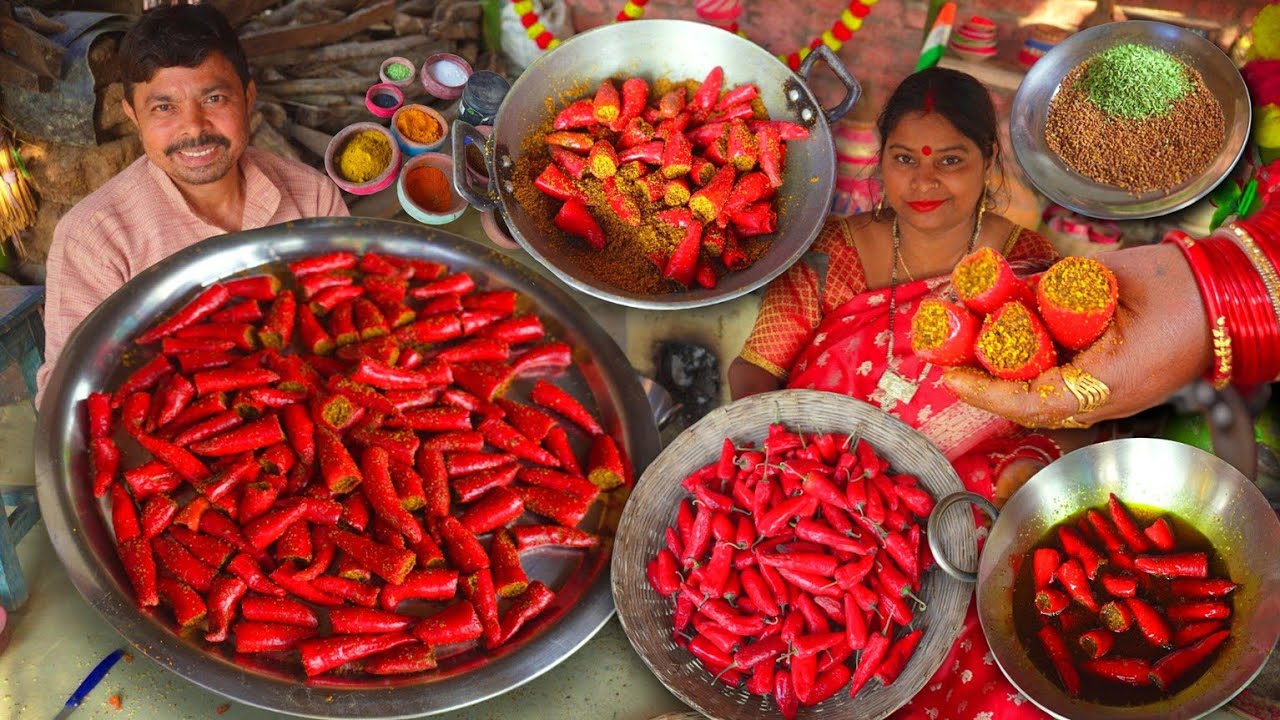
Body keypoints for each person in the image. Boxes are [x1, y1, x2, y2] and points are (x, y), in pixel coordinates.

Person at [729, 67, 1078, 719]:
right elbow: (753, 373)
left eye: (951, 160)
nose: (924, 182)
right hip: (822, 495)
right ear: (881, 161)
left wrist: (1025, 472)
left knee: (1001, 660)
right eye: (905, 159)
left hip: (968, 506)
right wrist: (777, 471)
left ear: (988, 163)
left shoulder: (1029, 265)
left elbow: (1070, 403)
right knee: (788, 633)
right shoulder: (831, 253)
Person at [36, 4, 349, 400]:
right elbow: (67, 392)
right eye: (164, 107)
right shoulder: (94, 240)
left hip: (312, 401)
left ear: (248, 97)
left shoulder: (311, 195)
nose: (194, 128)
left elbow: (349, 311)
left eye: (214, 98)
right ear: (133, 115)